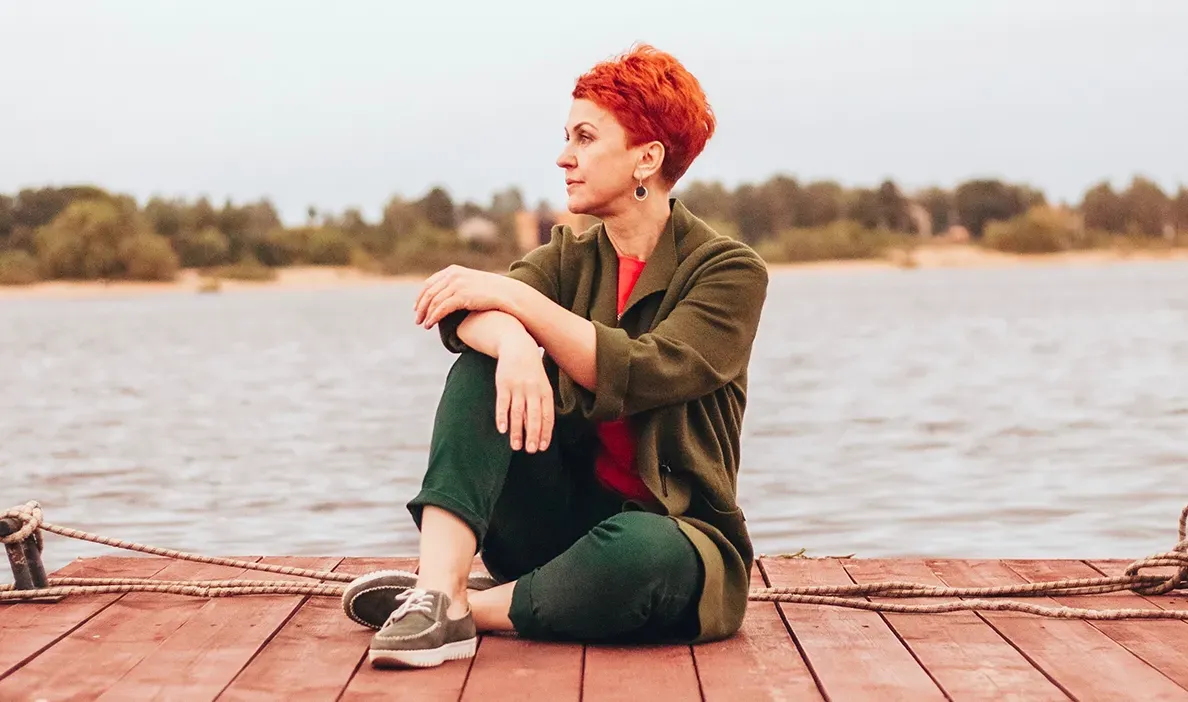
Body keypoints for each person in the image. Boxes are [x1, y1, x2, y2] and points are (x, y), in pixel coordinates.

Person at [342, 44, 769, 669]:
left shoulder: (728, 270)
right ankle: (438, 590)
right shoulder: (571, 256)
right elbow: (464, 314)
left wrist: (518, 302)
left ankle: (468, 607)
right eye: (566, 136)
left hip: (674, 539)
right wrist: (513, 343)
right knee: (482, 365)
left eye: (586, 138)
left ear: (646, 158)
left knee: (637, 554)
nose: (564, 156)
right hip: (550, 528)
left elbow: (644, 366)